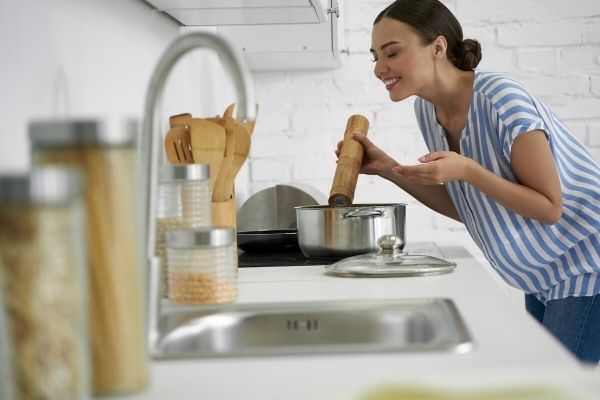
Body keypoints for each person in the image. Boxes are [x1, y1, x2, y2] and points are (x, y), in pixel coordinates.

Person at [337, 0, 600, 364]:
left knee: (556, 386)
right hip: (543, 274)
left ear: (438, 47)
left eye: (392, 53)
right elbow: (471, 208)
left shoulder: (500, 100)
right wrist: (388, 168)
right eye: (374, 57)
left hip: (587, 262)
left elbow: (550, 208)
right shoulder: (428, 110)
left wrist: (468, 170)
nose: (380, 68)